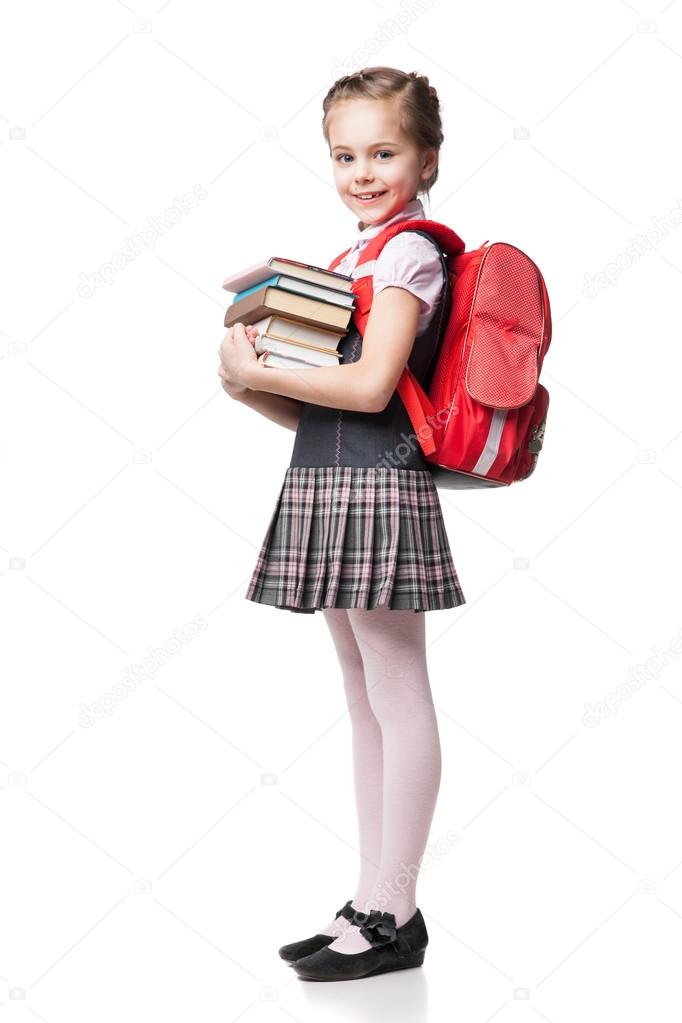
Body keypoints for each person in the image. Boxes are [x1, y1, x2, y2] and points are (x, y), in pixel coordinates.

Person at [217, 66, 466, 981]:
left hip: (378, 485)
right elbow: (325, 409)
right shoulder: (348, 259)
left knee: (398, 696)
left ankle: (397, 911)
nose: (363, 170)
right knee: (364, 699)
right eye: (345, 154)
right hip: (331, 476)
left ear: (427, 157)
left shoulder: (406, 255)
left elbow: (366, 387)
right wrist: (246, 384)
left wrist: (265, 373)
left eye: (384, 152)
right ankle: (370, 900)